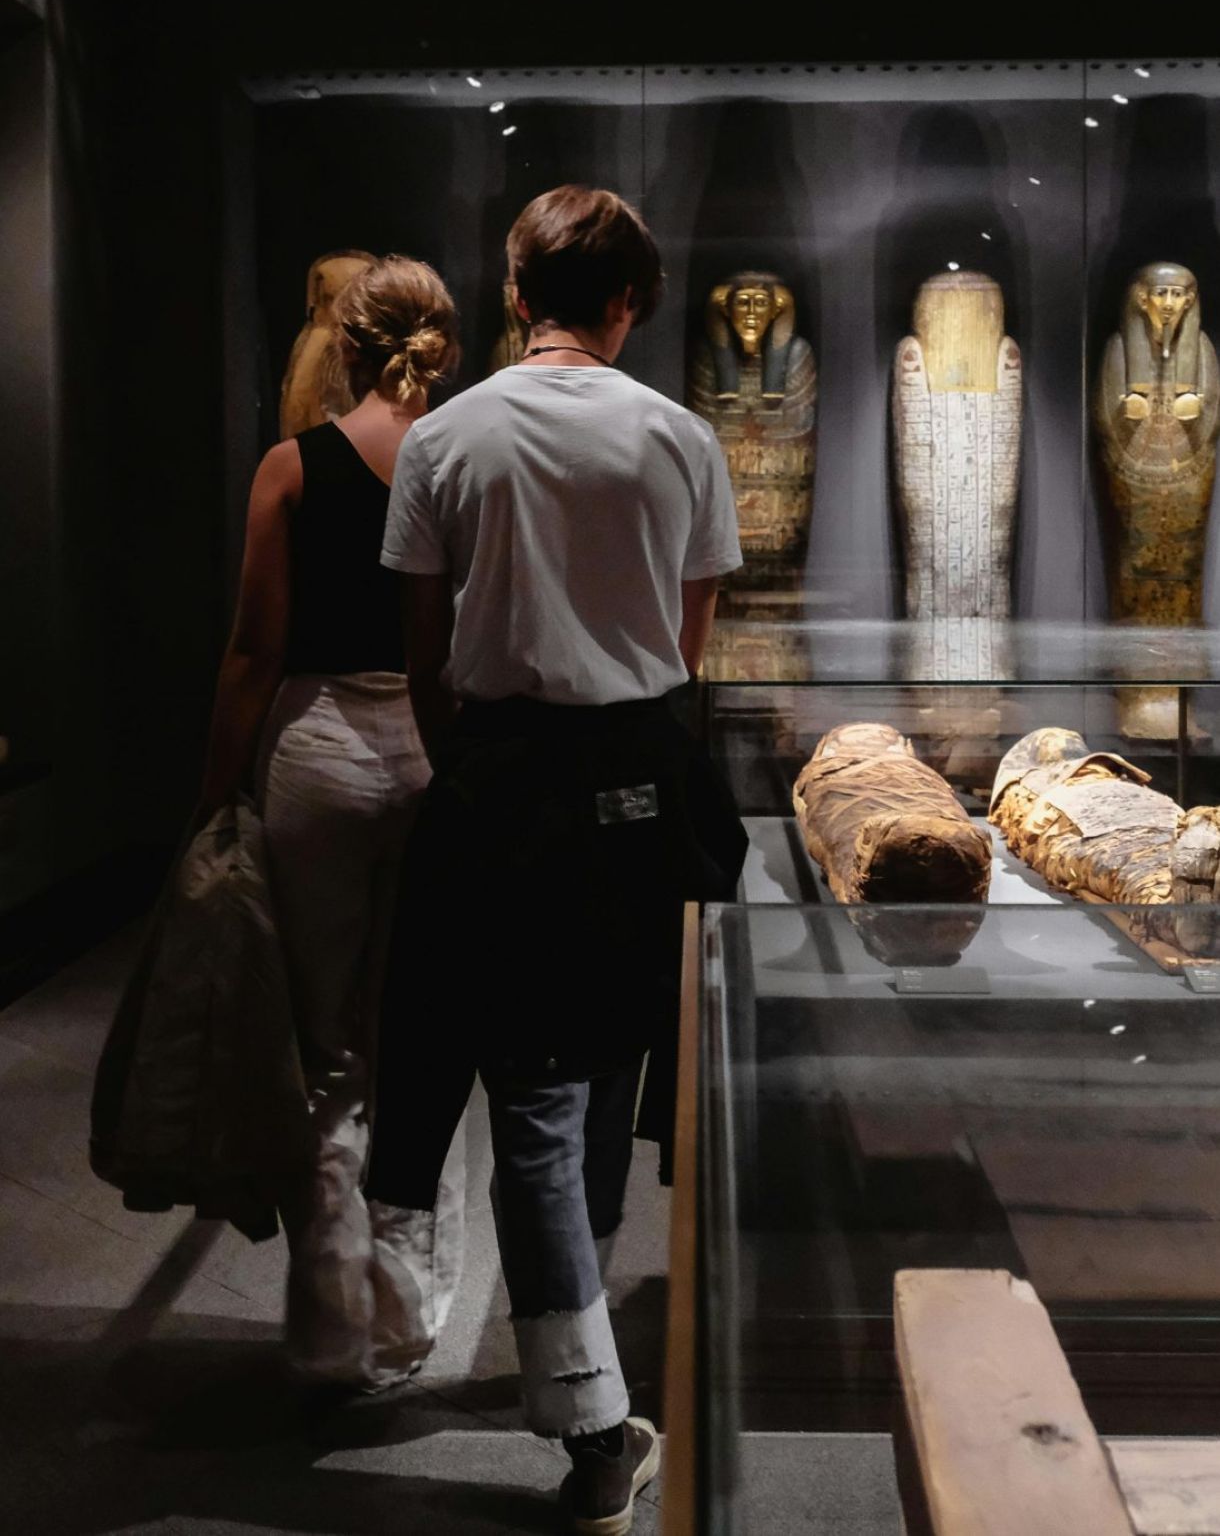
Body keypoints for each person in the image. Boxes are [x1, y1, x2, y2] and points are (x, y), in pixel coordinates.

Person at [367, 188, 747, 1534]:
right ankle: (590, 1414)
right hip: (640, 775)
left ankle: (579, 1386)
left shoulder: (446, 436)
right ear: (629, 300)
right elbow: (689, 641)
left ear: (517, 290)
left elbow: (423, 652)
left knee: (541, 1087)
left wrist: (471, 766)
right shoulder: (680, 434)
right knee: (587, 1076)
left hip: (503, 773)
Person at [200, 253, 466, 1395]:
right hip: (427, 749)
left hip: (311, 753)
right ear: (438, 350)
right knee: (419, 1029)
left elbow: (255, 651)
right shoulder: (459, 460)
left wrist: (216, 793)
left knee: (327, 1043)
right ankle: (407, 1314)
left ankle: (326, 1320)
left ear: (340, 346)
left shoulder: (289, 468)